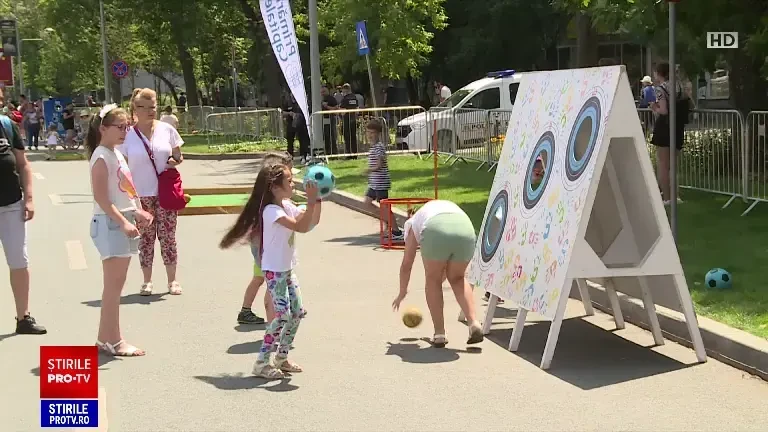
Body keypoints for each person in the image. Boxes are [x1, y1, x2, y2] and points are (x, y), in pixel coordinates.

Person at [220, 163, 322, 379]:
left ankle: (282, 358)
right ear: (275, 187)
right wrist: (311, 202)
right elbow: (300, 227)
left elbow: (312, 222)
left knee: (297, 313)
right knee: (282, 316)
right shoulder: (271, 211)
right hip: (274, 271)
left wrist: (318, 199)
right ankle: (261, 363)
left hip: (287, 269)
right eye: (289, 181)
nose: (293, 184)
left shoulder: (286, 205)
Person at [86, 104, 153, 356]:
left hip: (121, 220)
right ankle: (115, 340)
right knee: (113, 287)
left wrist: (136, 212)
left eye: (127, 126)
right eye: (120, 127)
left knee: (115, 286)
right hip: (110, 223)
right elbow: (102, 198)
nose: (125, 131)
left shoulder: (116, 153)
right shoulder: (101, 156)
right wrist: (124, 222)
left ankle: (105, 339)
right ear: (103, 128)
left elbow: (123, 191)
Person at [392, 199, 484, 347]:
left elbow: (406, 264)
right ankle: (474, 323)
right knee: (458, 278)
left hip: (435, 229)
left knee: (432, 279)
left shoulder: (412, 223)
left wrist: (402, 291)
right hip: (465, 227)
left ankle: (439, 333)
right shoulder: (441, 207)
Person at [119, 88, 184, 296]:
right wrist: (127, 194)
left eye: (152, 107)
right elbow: (122, 166)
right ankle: (147, 281)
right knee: (145, 239)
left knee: (168, 238)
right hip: (140, 195)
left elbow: (177, 155)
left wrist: (173, 162)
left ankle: (172, 280)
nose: (149, 111)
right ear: (134, 109)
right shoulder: (127, 135)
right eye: (144, 107)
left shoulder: (167, 129)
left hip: (164, 192)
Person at [235, 151, 303, 325]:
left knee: (262, 279)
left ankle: (275, 310)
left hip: (267, 249)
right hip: (265, 250)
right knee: (264, 280)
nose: (291, 180)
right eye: (288, 174)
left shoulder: (272, 199)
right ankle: (264, 316)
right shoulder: (267, 203)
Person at [0, 88, 45, 335]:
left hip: (10, 205)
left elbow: (23, 165)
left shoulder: (7, 126)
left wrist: (29, 199)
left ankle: (23, 318)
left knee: (18, 261)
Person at [650, 62, 689, 206]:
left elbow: (663, 110)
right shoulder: (679, 86)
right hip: (678, 127)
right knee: (673, 165)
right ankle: (675, 195)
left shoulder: (660, 89)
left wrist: (654, 106)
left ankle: (667, 197)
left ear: (658, 73)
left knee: (663, 164)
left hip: (664, 128)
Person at [363, 119, 403, 240]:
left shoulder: (379, 147)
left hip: (381, 183)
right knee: (367, 203)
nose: (370, 135)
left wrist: (368, 170)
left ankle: (397, 232)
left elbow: (380, 164)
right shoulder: (373, 147)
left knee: (385, 207)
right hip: (374, 183)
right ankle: (387, 224)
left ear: (378, 134)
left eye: (373, 133)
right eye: (368, 132)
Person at [339, 83, 359, 155]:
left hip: (346, 120)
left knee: (347, 138)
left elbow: (342, 112)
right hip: (353, 120)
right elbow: (357, 110)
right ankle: (355, 153)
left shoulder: (345, 99)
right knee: (353, 137)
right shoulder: (354, 98)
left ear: (345, 89)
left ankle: (349, 154)